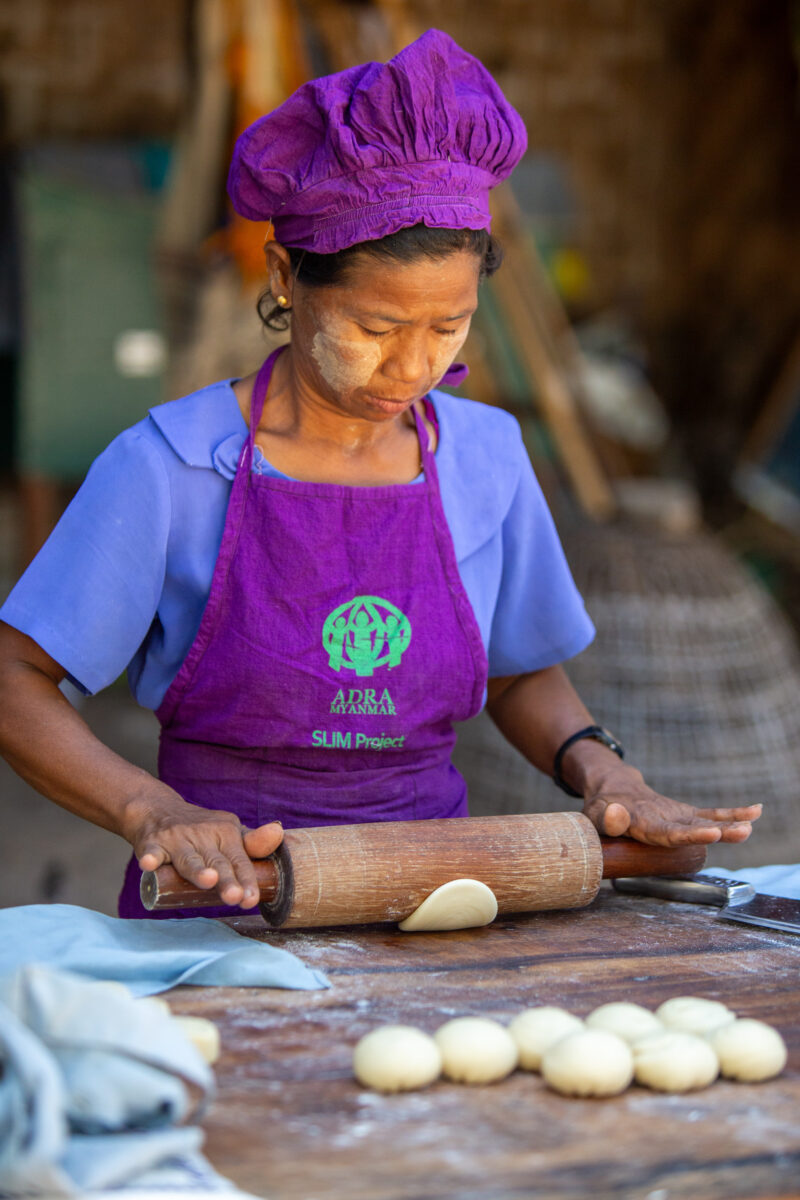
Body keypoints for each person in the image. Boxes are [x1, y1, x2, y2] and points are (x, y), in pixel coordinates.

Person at [0, 31, 760, 919]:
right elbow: (17, 676)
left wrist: (604, 768)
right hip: (223, 903)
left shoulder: (486, 455)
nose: (412, 370)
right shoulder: (171, 465)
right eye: (374, 328)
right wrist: (153, 811)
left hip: (436, 898)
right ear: (287, 278)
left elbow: (516, 670)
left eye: (449, 330)